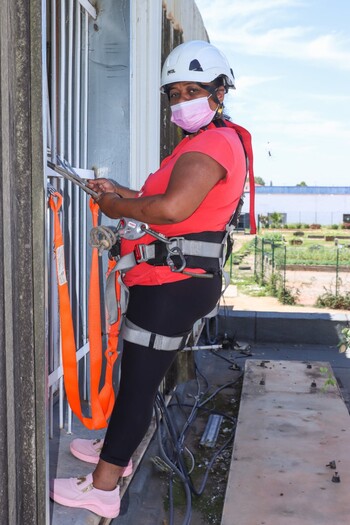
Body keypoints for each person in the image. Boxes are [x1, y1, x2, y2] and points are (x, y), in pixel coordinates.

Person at [50, 40, 254, 519]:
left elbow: (170, 209)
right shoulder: (202, 143)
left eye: (193, 91)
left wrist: (116, 206)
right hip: (174, 281)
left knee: (139, 383)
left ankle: (101, 486)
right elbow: (167, 204)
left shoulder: (212, 144)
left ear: (219, 93)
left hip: (171, 286)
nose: (181, 101)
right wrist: (121, 191)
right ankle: (112, 454)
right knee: (138, 376)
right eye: (174, 93)